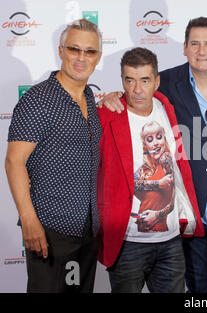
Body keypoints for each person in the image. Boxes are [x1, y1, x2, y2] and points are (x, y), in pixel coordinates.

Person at [99, 17, 207, 293]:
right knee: (198, 289)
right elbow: (138, 93)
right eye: (195, 44)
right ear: (184, 48)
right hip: (189, 211)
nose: (202, 51)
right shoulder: (166, 82)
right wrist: (111, 97)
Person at [5, 19, 102, 292]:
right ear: (61, 51)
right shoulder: (38, 99)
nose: (81, 57)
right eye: (74, 49)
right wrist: (29, 220)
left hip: (87, 228)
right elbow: (14, 162)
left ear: (98, 57)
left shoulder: (90, 99)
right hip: (49, 229)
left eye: (89, 51)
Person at [97, 47, 204, 293]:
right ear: (122, 80)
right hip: (128, 242)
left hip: (171, 242)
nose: (136, 90)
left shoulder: (167, 107)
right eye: (129, 80)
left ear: (156, 81)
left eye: (145, 80)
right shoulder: (107, 114)